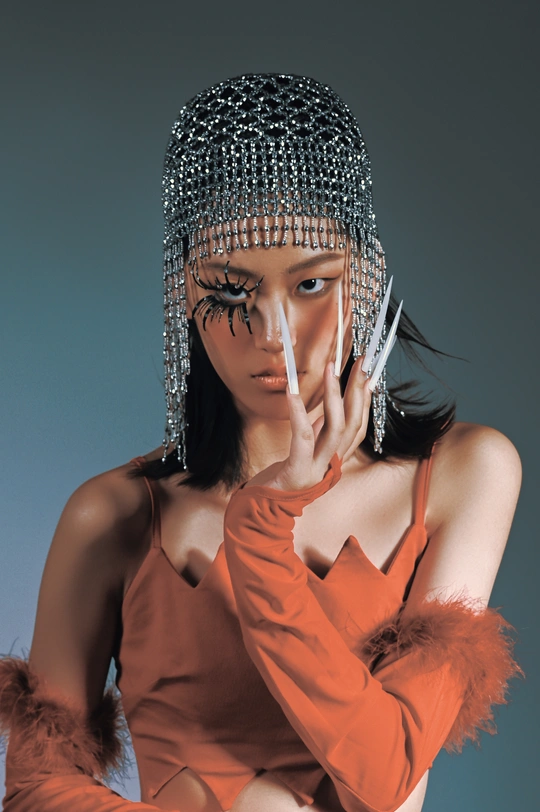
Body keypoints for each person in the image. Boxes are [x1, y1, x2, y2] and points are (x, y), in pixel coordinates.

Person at [0, 73, 524, 812]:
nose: (275, 335)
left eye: (310, 285)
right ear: (184, 296)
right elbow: (33, 791)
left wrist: (262, 527)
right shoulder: (113, 516)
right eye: (231, 292)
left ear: (365, 277)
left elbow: (385, 775)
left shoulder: (464, 474)